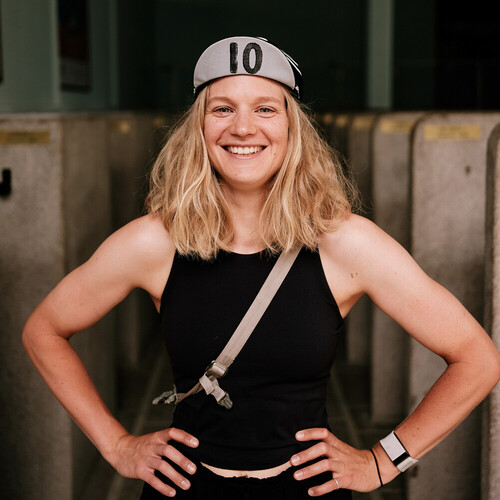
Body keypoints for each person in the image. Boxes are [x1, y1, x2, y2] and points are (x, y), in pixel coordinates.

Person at [23, 35, 500, 500]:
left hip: (308, 490)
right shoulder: (155, 241)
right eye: (222, 109)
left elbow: (476, 358)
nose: (243, 128)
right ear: (199, 126)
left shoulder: (346, 243)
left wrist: (381, 462)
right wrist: (116, 445)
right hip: (185, 488)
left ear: (292, 127)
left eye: (265, 109)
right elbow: (44, 329)